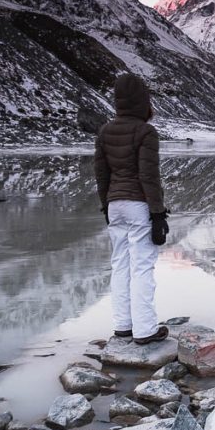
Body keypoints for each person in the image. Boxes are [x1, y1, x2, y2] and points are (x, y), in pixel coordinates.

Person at [94, 73, 170, 344]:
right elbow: (149, 176)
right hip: (139, 204)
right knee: (142, 266)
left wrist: (106, 205)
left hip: (115, 205)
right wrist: (158, 213)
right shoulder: (145, 131)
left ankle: (123, 326)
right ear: (142, 101)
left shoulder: (104, 131)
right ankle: (145, 330)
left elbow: (101, 175)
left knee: (120, 265)